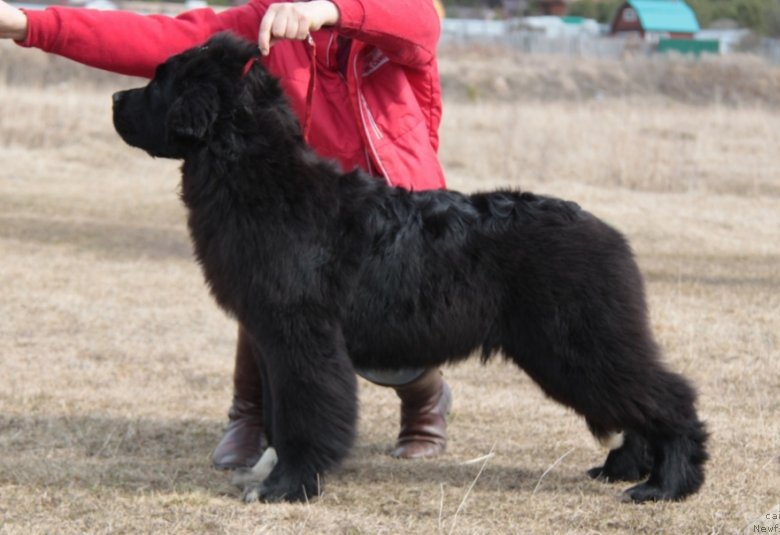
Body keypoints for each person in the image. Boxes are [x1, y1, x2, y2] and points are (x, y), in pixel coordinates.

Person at [0, 0, 452, 468]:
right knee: (265, 280)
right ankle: (249, 415)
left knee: (391, 347)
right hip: (309, 215)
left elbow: (420, 25)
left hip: (397, 216)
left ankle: (423, 400)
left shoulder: (396, 11)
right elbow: (156, 37)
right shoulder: (267, 18)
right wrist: (28, 24)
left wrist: (330, 10)